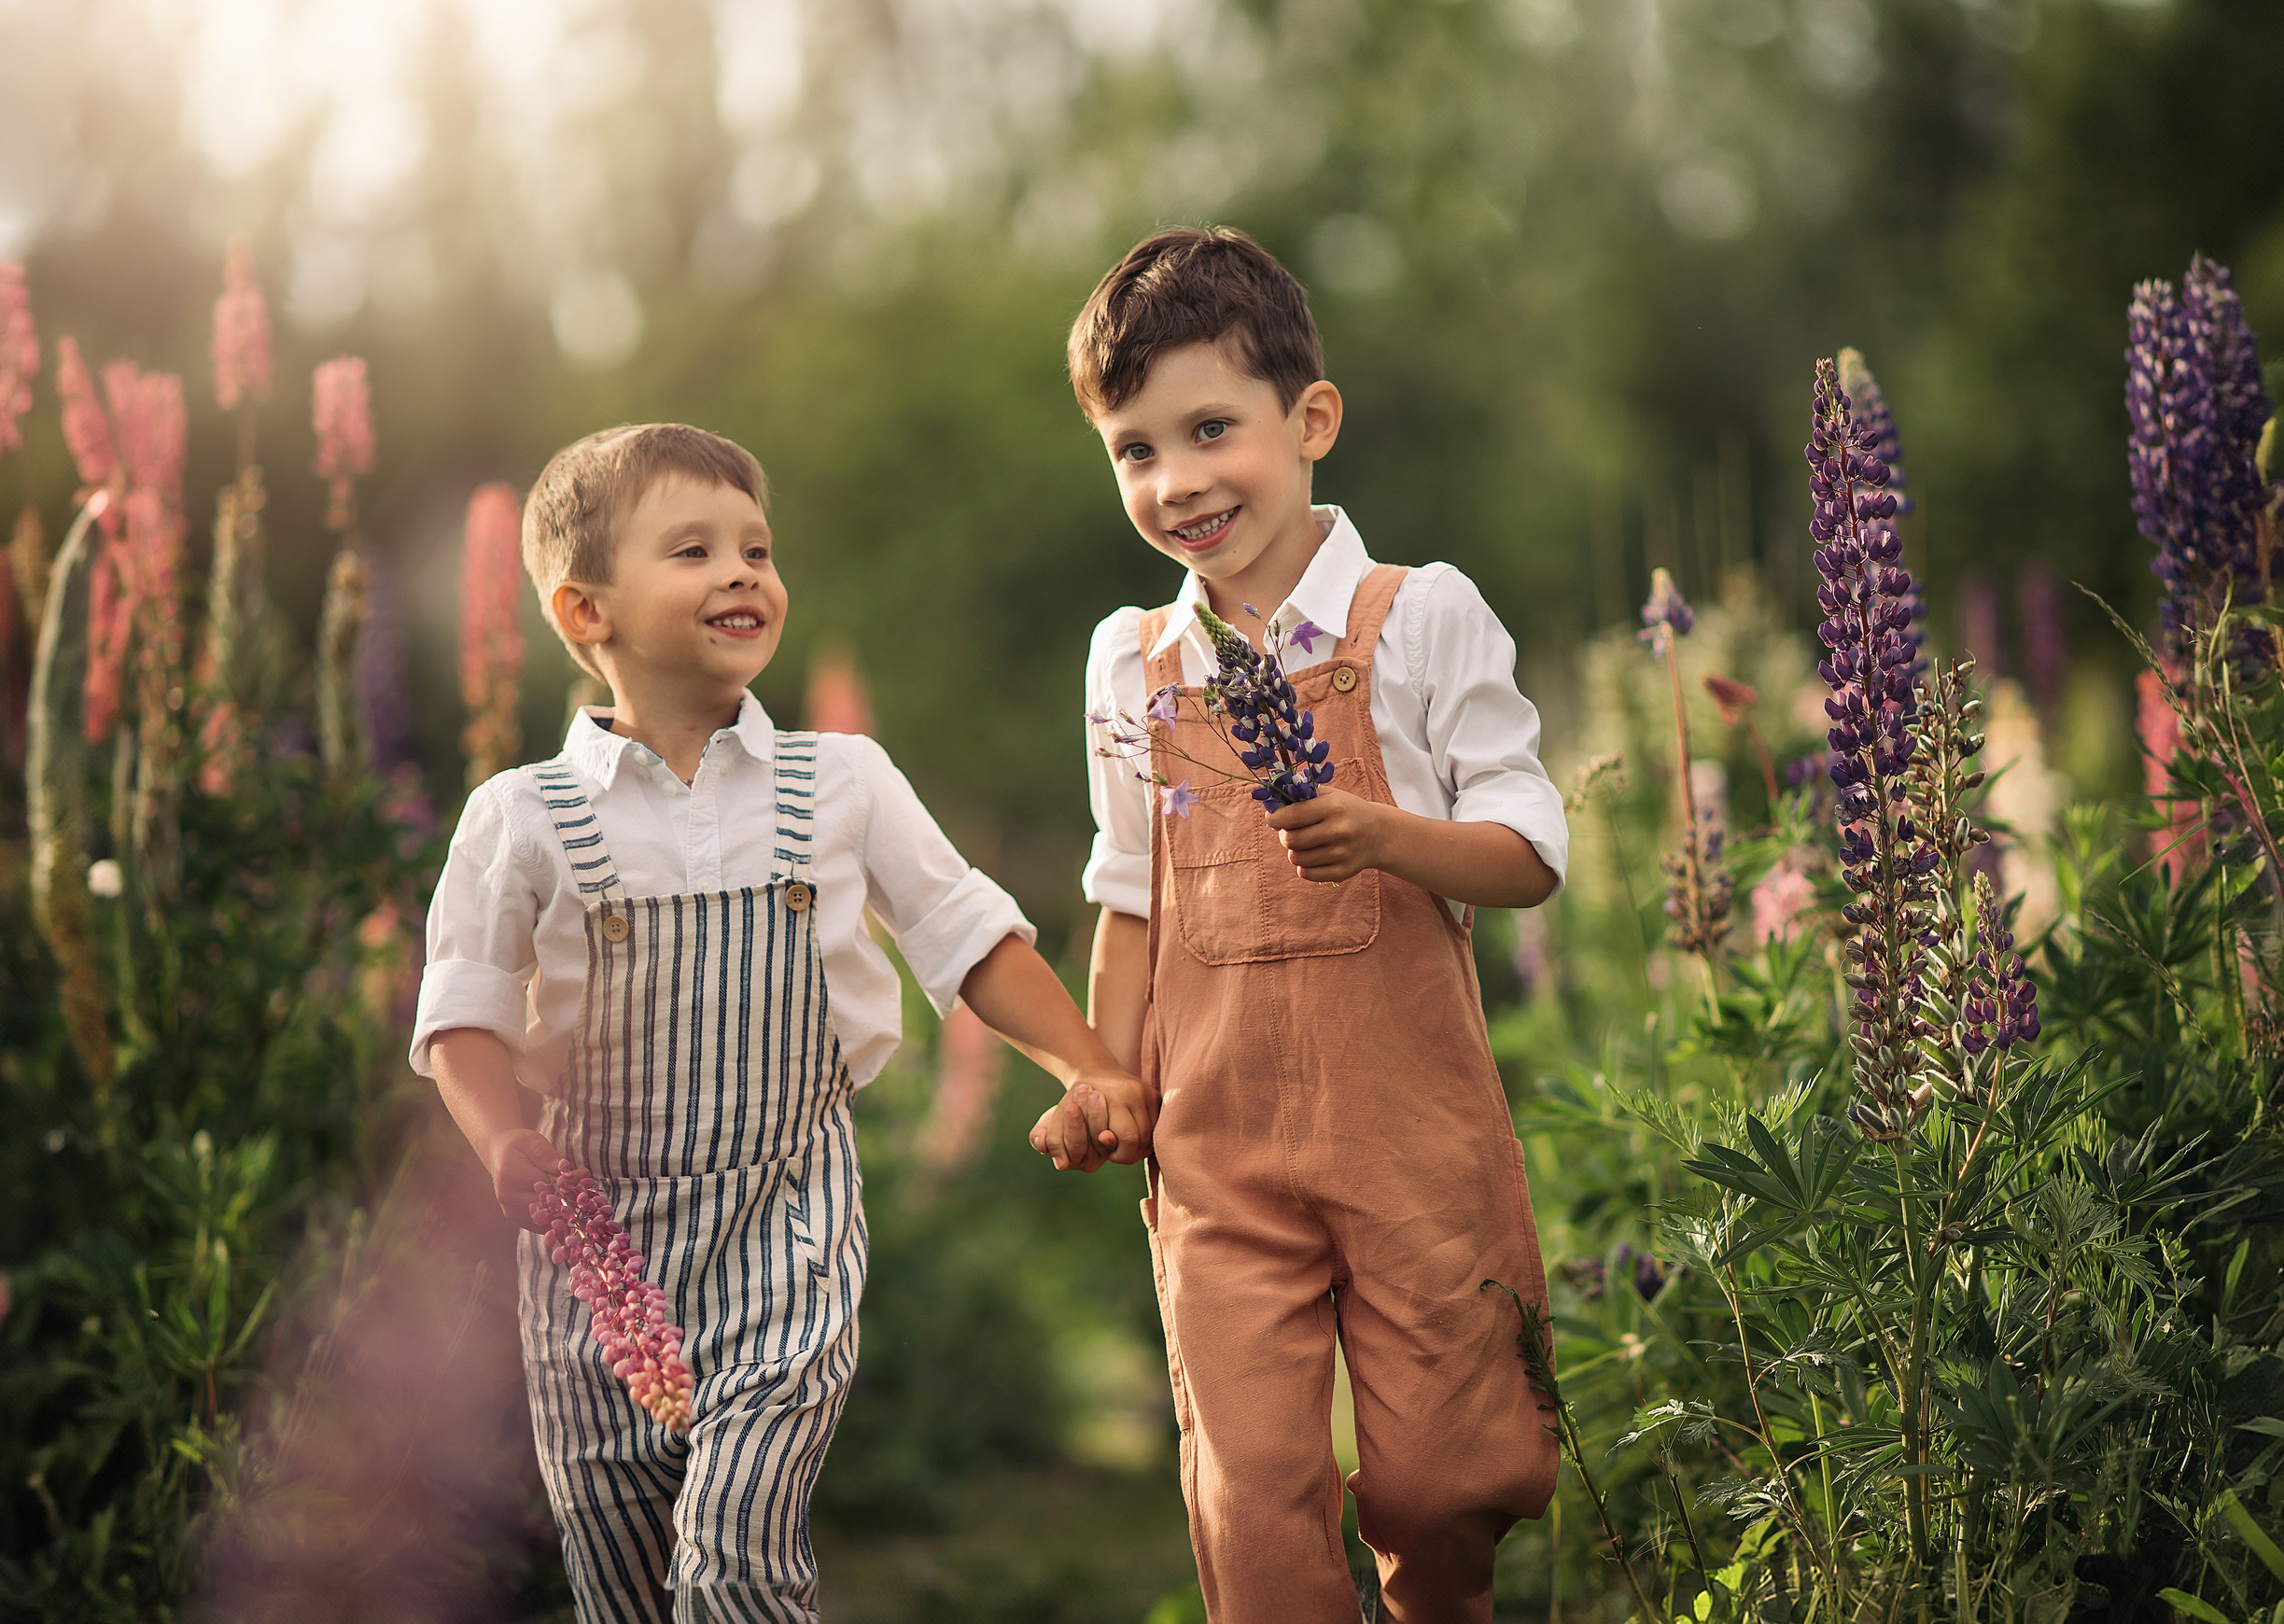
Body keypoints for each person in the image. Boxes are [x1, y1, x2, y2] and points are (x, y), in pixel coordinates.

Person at [415, 423, 1150, 1623]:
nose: (742, 572)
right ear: (583, 611)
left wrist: (1084, 1062)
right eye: (693, 549)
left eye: (757, 548)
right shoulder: (522, 817)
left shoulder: (841, 781)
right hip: (594, 1249)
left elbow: (967, 938)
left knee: (735, 1560)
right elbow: (464, 1014)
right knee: (625, 1577)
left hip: (786, 1230)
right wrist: (504, 1141)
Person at [1059, 227, 1566, 1622]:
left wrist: (1384, 836)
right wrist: (1104, 1075)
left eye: (1210, 429)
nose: (1176, 481)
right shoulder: (1133, 663)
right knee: (1254, 1493)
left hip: (1408, 1133)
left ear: (1311, 421)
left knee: (1444, 1475)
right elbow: (1127, 894)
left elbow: (1529, 852)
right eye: (1135, 449)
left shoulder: (1420, 619)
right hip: (1217, 1147)